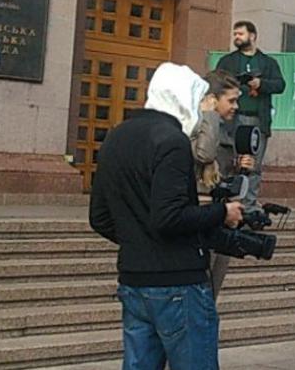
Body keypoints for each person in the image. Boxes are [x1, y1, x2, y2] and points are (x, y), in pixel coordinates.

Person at [90, 63, 244, 370]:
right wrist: (221, 212)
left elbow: (100, 218)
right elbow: (169, 218)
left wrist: (139, 242)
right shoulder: (172, 141)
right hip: (178, 282)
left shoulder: (116, 137)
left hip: (134, 279)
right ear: (182, 97)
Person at [190, 70, 253, 298]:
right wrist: (209, 115)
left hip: (221, 214)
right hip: (200, 213)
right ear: (212, 99)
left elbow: (220, 171)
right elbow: (204, 155)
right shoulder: (195, 125)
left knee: (212, 291)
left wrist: (238, 165)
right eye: (232, 100)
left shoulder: (224, 128)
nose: (236, 106)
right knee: (199, 289)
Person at [213, 21, 285, 212]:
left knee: (254, 165)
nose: (236, 37)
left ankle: (249, 205)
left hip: (256, 119)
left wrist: (260, 84)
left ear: (252, 36)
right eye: (235, 34)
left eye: (240, 34)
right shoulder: (227, 61)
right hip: (231, 119)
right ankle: (226, 203)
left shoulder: (268, 62)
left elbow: (280, 85)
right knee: (229, 161)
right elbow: (215, 81)